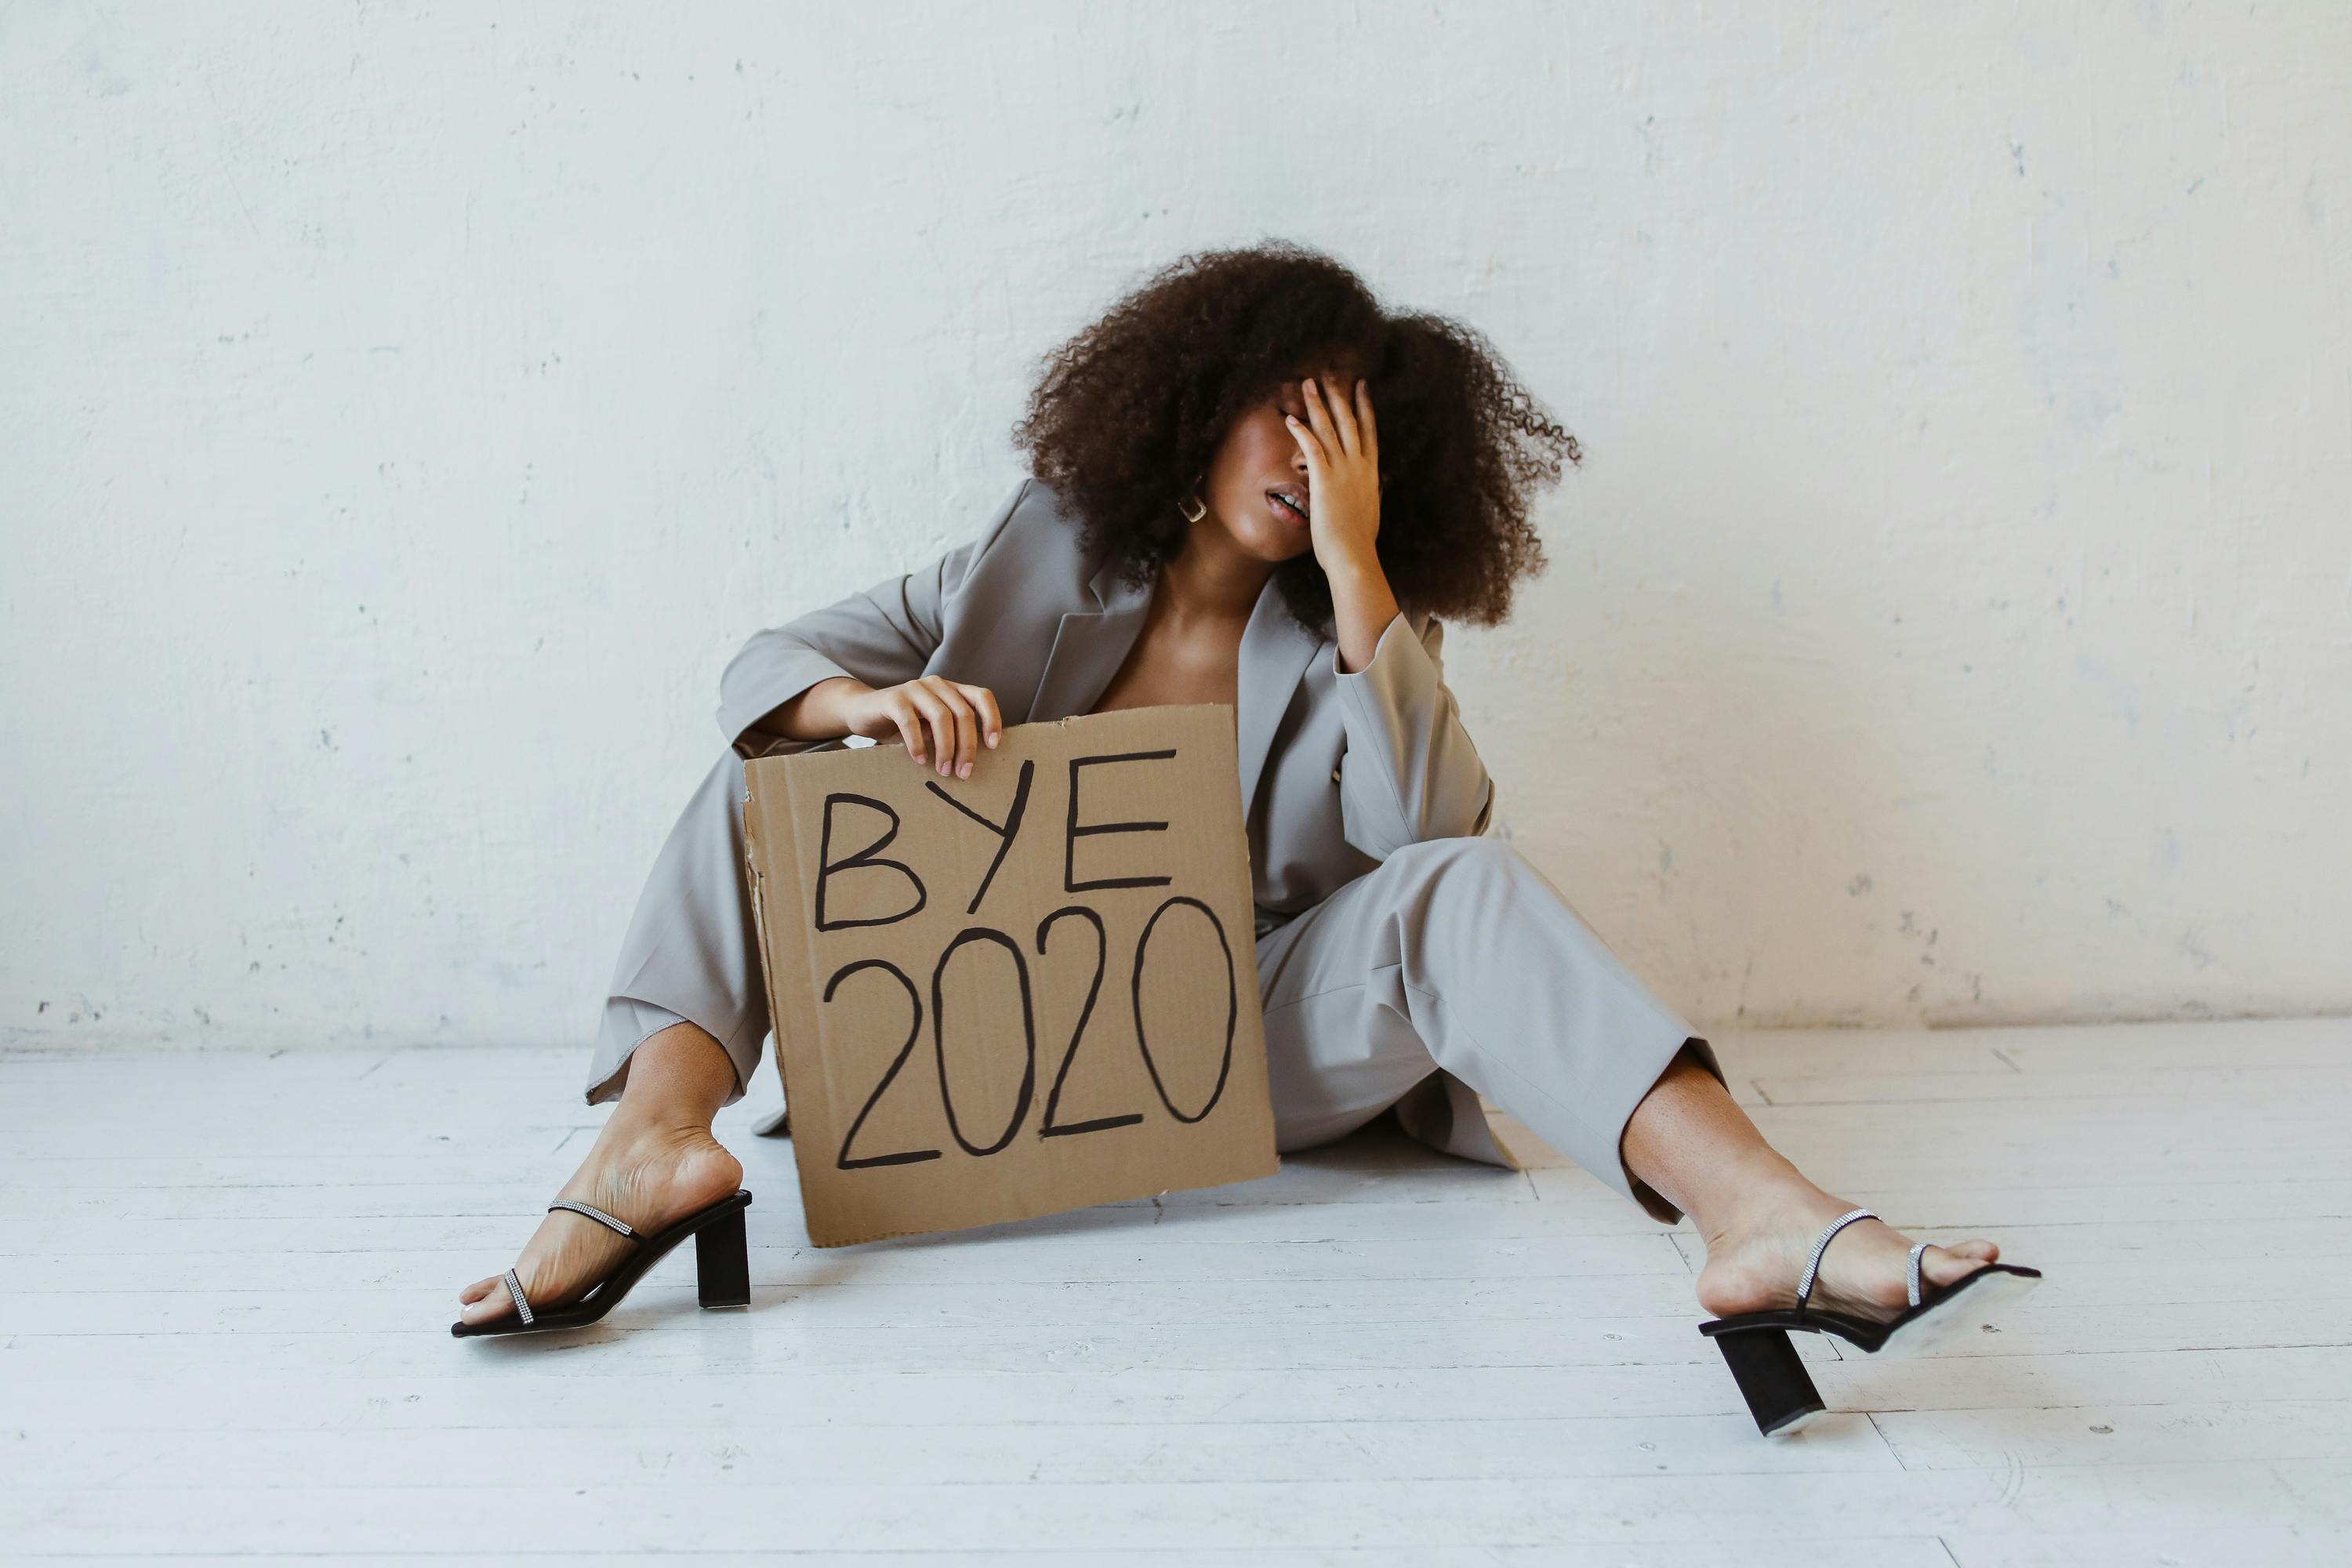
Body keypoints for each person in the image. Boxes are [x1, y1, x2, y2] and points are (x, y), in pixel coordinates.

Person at [456, 242, 2023, 1425]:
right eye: (1289, 405)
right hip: (971, 1039)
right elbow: (762, 669)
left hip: (1223, 1049)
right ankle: (654, 1142)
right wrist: (856, 713)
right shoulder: (1032, 561)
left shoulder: (1349, 636)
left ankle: (1755, 1219)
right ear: (1198, 409)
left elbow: (1427, 848)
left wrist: (1357, 577)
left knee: (1457, 885)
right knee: (757, 768)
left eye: (1349, 428)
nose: (1310, 447)